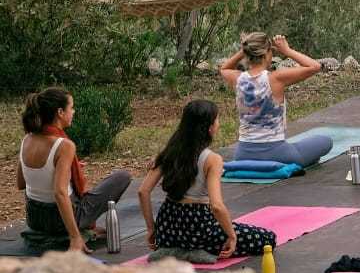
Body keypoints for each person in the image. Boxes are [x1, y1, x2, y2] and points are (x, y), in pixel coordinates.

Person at [138, 99, 277, 258]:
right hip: (200, 229)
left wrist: (151, 228)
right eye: (217, 119)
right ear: (209, 127)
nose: (219, 123)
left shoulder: (169, 151)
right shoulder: (212, 159)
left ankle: (179, 250)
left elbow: (143, 191)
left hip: (167, 229)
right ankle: (198, 251)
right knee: (268, 238)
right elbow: (217, 206)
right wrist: (232, 236)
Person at [18, 87, 130, 252]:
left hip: (34, 220)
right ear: (60, 112)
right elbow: (59, 193)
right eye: (71, 107)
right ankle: (77, 230)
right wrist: (75, 237)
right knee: (122, 176)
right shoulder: (64, 146)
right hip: (59, 222)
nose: (74, 111)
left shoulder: (27, 139)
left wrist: (60, 170)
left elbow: (21, 183)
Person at [219, 32, 331, 166]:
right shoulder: (276, 78)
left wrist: (243, 50)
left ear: (248, 53)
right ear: (266, 53)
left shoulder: (237, 78)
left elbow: (224, 68)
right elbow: (315, 66)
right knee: (325, 141)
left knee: (303, 147)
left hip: (243, 153)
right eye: (271, 51)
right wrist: (287, 50)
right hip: (277, 154)